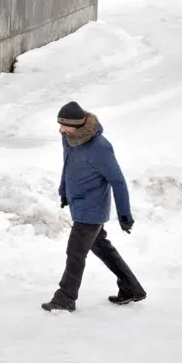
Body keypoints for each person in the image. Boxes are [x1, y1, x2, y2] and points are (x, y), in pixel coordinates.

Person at [42, 101, 145, 312]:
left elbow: (118, 181)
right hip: (78, 204)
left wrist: (124, 215)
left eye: (65, 125)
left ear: (78, 125)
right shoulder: (69, 139)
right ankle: (131, 287)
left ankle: (65, 298)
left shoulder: (100, 147)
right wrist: (64, 192)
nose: (61, 129)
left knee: (75, 253)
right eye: (59, 124)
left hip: (92, 209)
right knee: (102, 247)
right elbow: (67, 165)